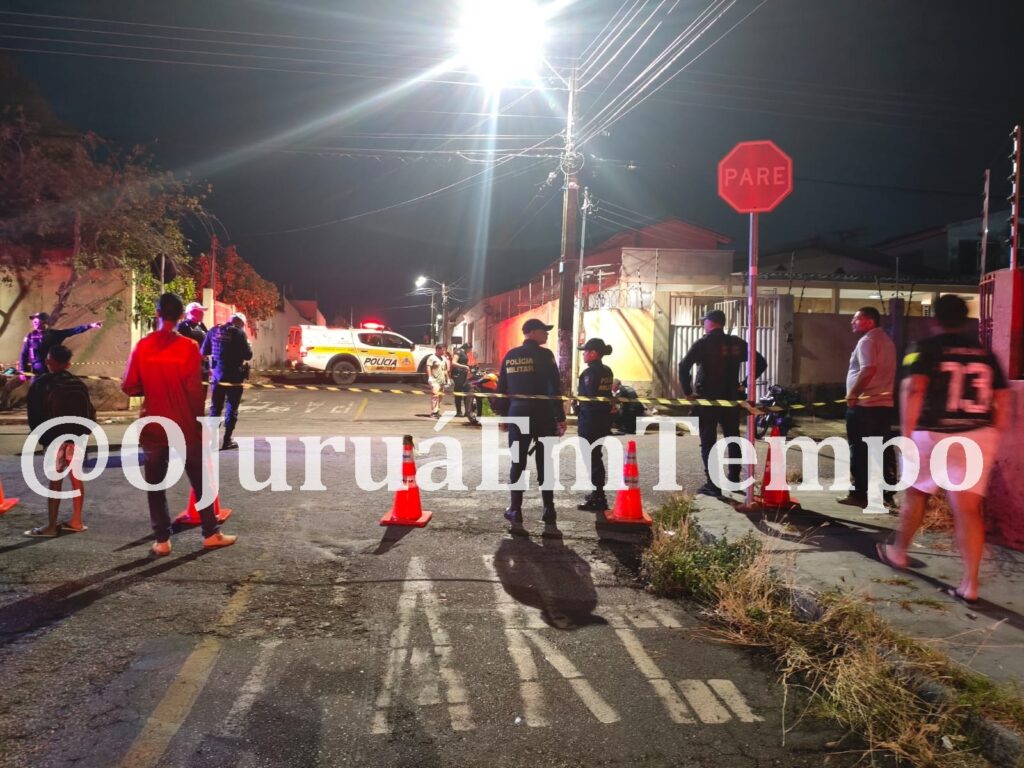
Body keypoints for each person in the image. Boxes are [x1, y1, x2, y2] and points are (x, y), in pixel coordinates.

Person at [877, 295, 1009, 604]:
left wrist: (907, 434)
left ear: (934, 319)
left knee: (916, 495)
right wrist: (995, 433)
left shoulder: (922, 348)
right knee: (968, 510)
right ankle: (970, 583)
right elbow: (1003, 398)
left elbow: (913, 388)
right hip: (976, 435)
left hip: (932, 433)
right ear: (965, 320)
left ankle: (899, 552)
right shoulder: (985, 353)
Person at [122, 293, 236, 555]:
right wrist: (198, 424)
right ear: (182, 315)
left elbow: (129, 386)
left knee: (155, 485)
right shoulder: (188, 347)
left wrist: (151, 386)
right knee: (200, 480)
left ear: (157, 313)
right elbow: (195, 391)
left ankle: (162, 540)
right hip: (184, 424)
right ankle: (210, 533)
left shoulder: (143, 346)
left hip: (153, 423)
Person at [678, 309, 767, 496]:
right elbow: (761, 362)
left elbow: (683, 366)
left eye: (705, 321)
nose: (703, 324)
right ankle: (734, 479)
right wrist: (744, 383)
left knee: (708, 442)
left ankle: (713, 484)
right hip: (731, 400)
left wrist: (688, 392)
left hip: (707, 400)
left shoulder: (704, 343)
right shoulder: (735, 343)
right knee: (732, 438)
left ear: (710, 323)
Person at [494, 318, 567, 533]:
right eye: (544, 331)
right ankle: (549, 510)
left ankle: (515, 509)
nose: (547, 334)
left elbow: (502, 390)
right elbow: (555, 388)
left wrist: (504, 416)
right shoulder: (546, 355)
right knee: (545, 462)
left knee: (518, 462)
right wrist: (560, 417)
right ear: (533, 332)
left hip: (518, 414)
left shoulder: (510, 355)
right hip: (543, 415)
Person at [23, 345, 95, 537]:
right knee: (76, 477)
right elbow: (90, 412)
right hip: (77, 437)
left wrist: (44, 438)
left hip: (55, 438)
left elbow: (35, 415)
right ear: (68, 363)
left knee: (55, 480)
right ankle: (77, 521)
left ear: (49, 361)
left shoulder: (41, 384)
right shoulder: (78, 383)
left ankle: (51, 526)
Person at [838, 307, 898, 510]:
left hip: (864, 407)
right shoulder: (887, 341)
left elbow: (868, 369)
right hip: (883, 405)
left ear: (869, 321)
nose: (852, 322)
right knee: (882, 450)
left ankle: (859, 494)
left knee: (859, 450)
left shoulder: (867, 341)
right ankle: (887, 493)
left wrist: (853, 394)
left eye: (856, 319)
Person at [201, 311, 253, 450]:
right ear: (241, 323)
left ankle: (212, 441)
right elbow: (248, 355)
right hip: (235, 376)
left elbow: (204, 351)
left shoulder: (213, 330)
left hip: (217, 376)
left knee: (215, 408)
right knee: (231, 407)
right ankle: (227, 439)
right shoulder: (239, 333)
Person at [576, 338, 614, 512]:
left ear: (593, 353)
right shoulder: (607, 370)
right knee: (595, 456)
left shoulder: (589, 373)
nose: (583, 354)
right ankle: (597, 493)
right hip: (602, 420)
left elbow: (590, 397)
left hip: (590, 420)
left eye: (585, 351)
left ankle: (599, 497)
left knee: (592, 458)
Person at [20, 311, 103, 379]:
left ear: (45, 322)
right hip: (37, 372)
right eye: (34, 320)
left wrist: (90, 326)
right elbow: (24, 354)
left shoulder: (54, 334)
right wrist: (23, 371)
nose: (34, 322)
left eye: (37, 320)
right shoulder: (30, 336)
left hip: (53, 371)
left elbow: (73, 331)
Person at [177, 302, 210, 378]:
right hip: (190, 368)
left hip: (202, 366)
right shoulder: (182, 326)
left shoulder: (201, 326)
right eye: (200, 311)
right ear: (191, 312)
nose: (203, 314)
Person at [425, 343, 449, 418]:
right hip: (434, 380)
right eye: (443, 350)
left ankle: (437, 411)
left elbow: (445, 370)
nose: (444, 351)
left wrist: (448, 379)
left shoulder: (443, 359)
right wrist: (429, 377)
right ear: (438, 350)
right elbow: (428, 367)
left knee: (440, 397)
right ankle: (433, 412)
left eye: (444, 350)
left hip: (442, 381)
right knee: (435, 396)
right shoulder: (432, 358)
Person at [451, 344, 472, 417]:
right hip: (458, 375)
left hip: (463, 375)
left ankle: (467, 411)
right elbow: (453, 363)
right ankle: (459, 412)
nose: (470, 351)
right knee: (458, 393)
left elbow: (463, 363)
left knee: (467, 392)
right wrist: (464, 366)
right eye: (470, 349)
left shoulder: (464, 353)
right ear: (468, 348)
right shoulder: (458, 352)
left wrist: (468, 366)